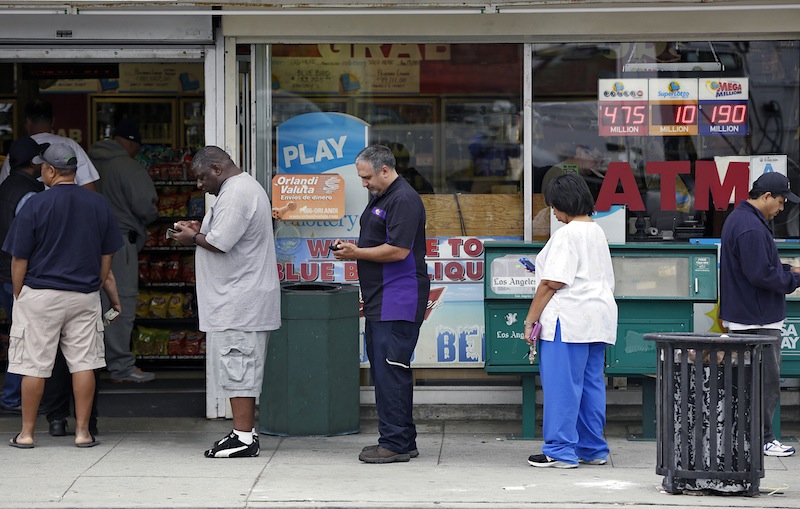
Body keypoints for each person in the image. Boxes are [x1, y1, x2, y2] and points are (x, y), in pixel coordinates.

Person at [2, 143, 122, 448]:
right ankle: (83, 433)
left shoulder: (35, 204)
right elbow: (107, 256)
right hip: (83, 295)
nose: (41, 171)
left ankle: (27, 434)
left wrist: (19, 295)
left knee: (33, 365)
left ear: (51, 171)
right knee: (84, 364)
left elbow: (19, 258)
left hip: (41, 295)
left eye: (43, 167)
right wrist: (97, 284)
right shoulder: (97, 203)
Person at [170, 146, 280, 458]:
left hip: (240, 300)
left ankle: (245, 438)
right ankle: (241, 433)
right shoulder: (239, 189)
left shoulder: (236, 193)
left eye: (201, 177)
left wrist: (190, 237)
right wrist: (198, 230)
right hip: (238, 298)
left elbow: (220, 242)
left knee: (239, 365)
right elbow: (221, 235)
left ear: (217, 169)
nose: (199, 185)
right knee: (237, 366)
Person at [331, 144, 430, 464]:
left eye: (367, 177)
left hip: (398, 298)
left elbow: (399, 251)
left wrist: (356, 253)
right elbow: (380, 241)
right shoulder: (383, 197)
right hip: (382, 298)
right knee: (386, 371)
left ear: (385, 170)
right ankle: (401, 438)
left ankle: (396, 443)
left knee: (391, 372)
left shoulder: (403, 199)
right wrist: (354, 247)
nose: (364, 183)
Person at [523, 173, 617, 469]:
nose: (553, 212)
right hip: (597, 318)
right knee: (591, 385)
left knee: (562, 386)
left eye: (554, 206)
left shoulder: (566, 234)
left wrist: (530, 320)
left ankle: (560, 450)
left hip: (569, 319)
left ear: (564, 203)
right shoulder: (596, 231)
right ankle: (593, 448)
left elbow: (552, 282)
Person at [719, 171, 800, 457]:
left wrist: (788, 270)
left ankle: (750, 439)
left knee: (748, 384)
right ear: (765, 197)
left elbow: (760, 266)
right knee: (764, 384)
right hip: (757, 319)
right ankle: (763, 439)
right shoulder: (751, 227)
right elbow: (760, 274)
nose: (781, 208)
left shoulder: (742, 220)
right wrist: (793, 280)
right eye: (780, 202)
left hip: (747, 316)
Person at [88, 118, 159, 383]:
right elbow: (147, 207)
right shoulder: (128, 167)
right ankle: (121, 366)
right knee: (120, 304)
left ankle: (88, 364)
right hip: (118, 244)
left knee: (89, 304)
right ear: (131, 143)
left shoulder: (88, 162)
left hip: (86, 244)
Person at [0, 137, 46, 414]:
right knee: (27, 339)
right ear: (33, 163)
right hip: (21, 277)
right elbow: (32, 239)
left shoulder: (6, 187)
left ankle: (15, 395)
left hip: (6, 273)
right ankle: (14, 397)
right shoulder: (29, 193)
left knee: (21, 336)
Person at [0, 99, 100, 190]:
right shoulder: (70, 145)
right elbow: (88, 187)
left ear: (28, 123)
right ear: (53, 121)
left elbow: (5, 189)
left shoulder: (18, 150)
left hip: (28, 208)